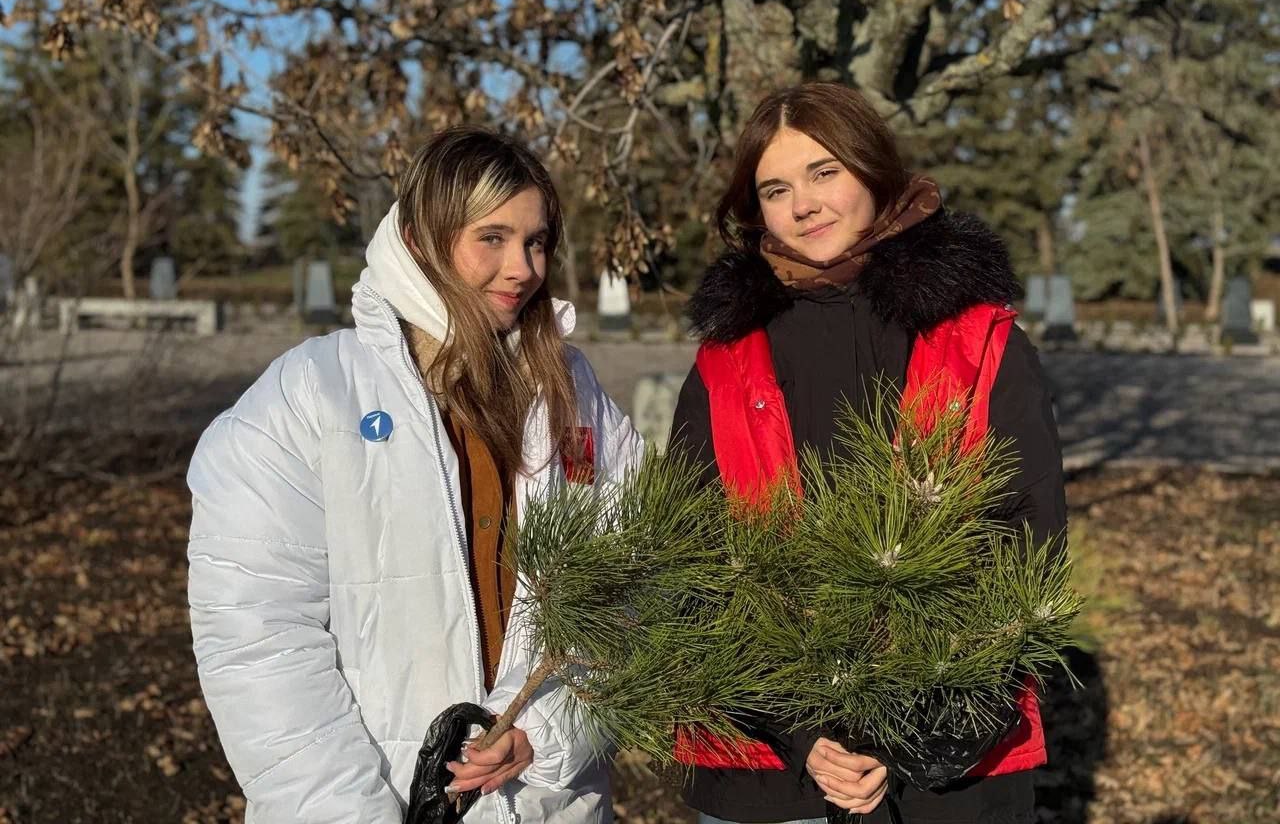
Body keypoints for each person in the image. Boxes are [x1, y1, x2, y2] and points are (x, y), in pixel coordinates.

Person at [187, 125, 643, 823]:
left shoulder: (572, 394)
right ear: (423, 239)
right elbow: (260, 642)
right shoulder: (312, 396)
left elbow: (630, 581)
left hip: (556, 804)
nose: (522, 267)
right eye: (491, 238)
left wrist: (543, 734)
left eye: (537, 241)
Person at [670, 83, 1066, 824]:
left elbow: (1028, 540)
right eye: (776, 188)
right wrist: (802, 732)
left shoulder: (978, 340)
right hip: (769, 767)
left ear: (873, 171)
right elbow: (698, 559)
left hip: (948, 757)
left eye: (825, 172)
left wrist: (916, 723)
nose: (804, 204)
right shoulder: (727, 360)